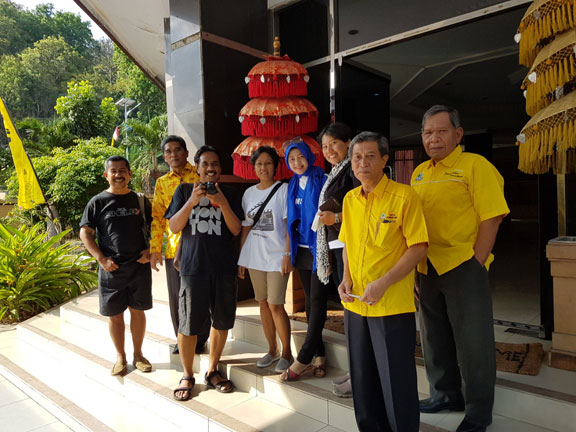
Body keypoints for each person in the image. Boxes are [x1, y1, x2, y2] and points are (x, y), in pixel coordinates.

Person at [412, 105, 509, 432]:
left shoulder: (474, 165)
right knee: (433, 337)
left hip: (463, 265)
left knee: (473, 342)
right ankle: (445, 394)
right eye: (428, 132)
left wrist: (475, 263)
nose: (434, 138)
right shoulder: (420, 172)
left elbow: (492, 216)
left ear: (458, 134)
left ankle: (479, 411)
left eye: (441, 131)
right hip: (427, 267)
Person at [338, 131, 428, 432]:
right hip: (356, 306)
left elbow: (419, 247)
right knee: (362, 379)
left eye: (370, 156)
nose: (362, 162)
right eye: (357, 157)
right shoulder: (350, 199)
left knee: (396, 381)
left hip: (390, 306)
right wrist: (345, 277)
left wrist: (385, 282)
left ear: (385, 160)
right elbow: (348, 243)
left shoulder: (405, 197)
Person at [165, 145, 243, 401]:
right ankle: (188, 374)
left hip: (223, 269)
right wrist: (191, 202)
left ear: (220, 169)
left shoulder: (229, 194)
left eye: (215, 164)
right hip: (193, 269)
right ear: (197, 168)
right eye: (205, 164)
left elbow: (235, 230)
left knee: (221, 322)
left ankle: (211, 370)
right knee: (187, 325)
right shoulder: (185, 190)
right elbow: (175, 226)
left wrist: (221, 203)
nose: (211, 168)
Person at [79, 155, 153, 377]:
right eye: (114, 171)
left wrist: (151, 251)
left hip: (139, 267)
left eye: (123, 170)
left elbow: (157, 226)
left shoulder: (140, 200)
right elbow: (85, 232)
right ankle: (120, 356)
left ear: (130, 174)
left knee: (138, 312)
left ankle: (138, 355)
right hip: (112, 268)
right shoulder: (97, 202)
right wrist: (101, 259)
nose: (119, 174)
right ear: (106, 175)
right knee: (115, 315)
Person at [149, 135, 209, 354]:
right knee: (177, 297)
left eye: (177, 150)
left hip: (200, 244)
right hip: (174, 249)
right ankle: (182, 338)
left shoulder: (199, 174)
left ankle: (201, 339)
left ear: (185, 152)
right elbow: (157, 218)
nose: (173, 154)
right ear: (164, 157)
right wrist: (156, 249)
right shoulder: (162, 183)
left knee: (200, 294)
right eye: (168, 151)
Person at [238, 146, 293, 373]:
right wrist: (242, 258)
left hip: (277, 256)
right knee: (262, 303)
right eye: (259, 164)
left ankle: (287, 352)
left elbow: (290, 225)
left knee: (276, 305)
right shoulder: (249, 194)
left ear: (275, 166)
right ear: (254, 167)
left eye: (268, 163)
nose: (264, 168)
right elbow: (246, 227)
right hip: (255, 257)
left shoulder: (284, 190)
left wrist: (288, 255)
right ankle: (272, 350)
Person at [315, 122, 359, 398]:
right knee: (350, 312)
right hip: (338, 244)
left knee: (354, 310)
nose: (329, 150)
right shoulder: (336, 172)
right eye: (325, 146)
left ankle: (361, 374)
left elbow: (362, 206)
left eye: (334, 144)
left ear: (348, 142)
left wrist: (337, 217)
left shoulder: (354, 170)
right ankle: (358, 371)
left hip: (352, 245)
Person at [280, 139, 327, 381]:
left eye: (300, 157)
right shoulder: (292, 183)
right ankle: (320, 353)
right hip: (301, 249)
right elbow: (291, 218)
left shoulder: (322, 178)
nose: (297, 163)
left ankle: (306, 355)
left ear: (309, 156)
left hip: (319, 247)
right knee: (309, 302)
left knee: (318, 301)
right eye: (291, 159)